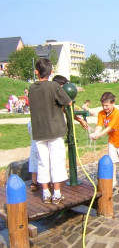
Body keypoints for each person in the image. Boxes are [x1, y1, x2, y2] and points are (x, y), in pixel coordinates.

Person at [29, 58, 72, 204]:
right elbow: (68, 101)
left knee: (42, 162)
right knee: (57, 161)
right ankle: (57, 193)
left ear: (36, 72)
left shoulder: (31, 88)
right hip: (54, 130)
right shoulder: (54, 86)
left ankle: (46, 193)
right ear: (51, 72)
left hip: (39, 131)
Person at [89, 92, 119, 186]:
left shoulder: (116, 113)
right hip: (112, 140)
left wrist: (99, 135)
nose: (105, 108)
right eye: (103, 105)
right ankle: (114, 180)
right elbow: (99, 126)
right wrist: (95, 133)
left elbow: (109, 127)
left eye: (107, 105)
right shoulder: (101, 114)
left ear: (113, 103)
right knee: (112, 160)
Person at [27, 120, 40, 191]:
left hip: (35, 144)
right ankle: (50, 182)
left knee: (34, 161)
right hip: (43, 143)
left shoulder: (31, 121)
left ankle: (34, 183)